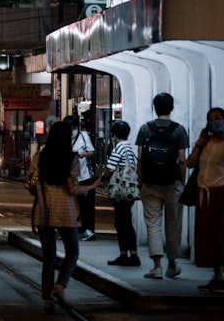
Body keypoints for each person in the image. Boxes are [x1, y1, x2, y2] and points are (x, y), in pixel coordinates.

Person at [32, 121, 100, 314]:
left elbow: (32, 182)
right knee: (72, 251)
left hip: (43, 212)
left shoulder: (40, 157)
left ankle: (47, 299)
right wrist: (91, 187)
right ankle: (60, 286)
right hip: (65, 213)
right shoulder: (71, 158)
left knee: (49, 257)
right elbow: (74, 189)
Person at [186, 107, 224, 294]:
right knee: (210, 235)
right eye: (210, 118)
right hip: (206, 193)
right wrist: (200, 143)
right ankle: (217, 276)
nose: (213, 121)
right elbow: (190, 162)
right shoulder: (206, 143)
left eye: (217, 118)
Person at [135, 92, 190, 280]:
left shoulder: (145, 129)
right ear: (171, 108)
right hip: (172, 183)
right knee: (173, 225)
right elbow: (182, 161)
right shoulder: (179, 130)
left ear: (154, 107)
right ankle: (172, 264)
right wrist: (182, 182)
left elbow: (140, 158)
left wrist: (140, 181)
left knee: (153, 225)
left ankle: (157, 266)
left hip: (149, 184)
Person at [97, 120, 141, 266]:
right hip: (130, 191)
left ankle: (124, 254)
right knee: (127, 221)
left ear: (114, 134)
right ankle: (133, 254)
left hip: (121, 192)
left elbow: (110, 168)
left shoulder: (118, 148)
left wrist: (103, 179)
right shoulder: (130, 148)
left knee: (121, 223)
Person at [65, 114, 97, 241]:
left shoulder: (83, 136)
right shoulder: (65, 137)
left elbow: (92, 153)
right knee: (68, 204)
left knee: (85, 204)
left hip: (84, 176)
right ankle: (67, 229)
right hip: (69, 176)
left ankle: (88, 229)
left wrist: (82, 154)